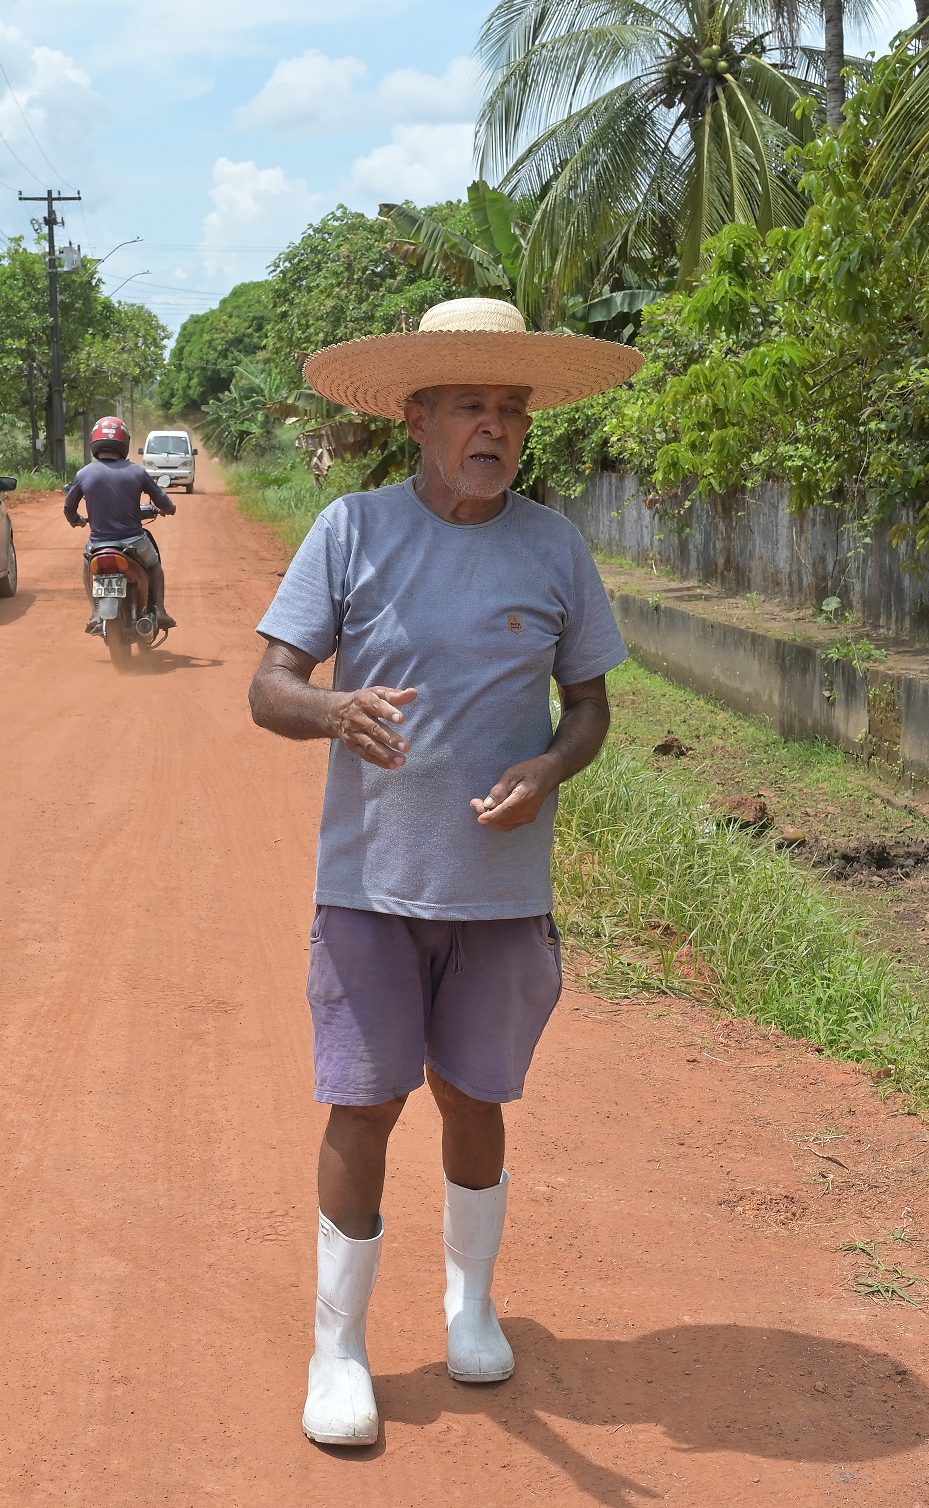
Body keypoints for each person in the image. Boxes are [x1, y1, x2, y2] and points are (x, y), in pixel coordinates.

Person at [248, 297, 644, 1446]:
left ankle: (470, 1301)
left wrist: (549, 768)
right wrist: (332, 707)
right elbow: (268, 686)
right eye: (470, 404)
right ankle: (338, 1347)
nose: (495, 428)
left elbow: (591, 707)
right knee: (362, 1102)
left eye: (511, 409)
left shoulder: (553, 546)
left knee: (477, 1095)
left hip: (500, 890)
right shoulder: (351, 531)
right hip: (369, 882)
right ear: (414, 417)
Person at [64, 415, 178, 630]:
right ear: (124, 442)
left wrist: (77, 521)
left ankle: (95, 613)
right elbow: (164, 502)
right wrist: (168, 509)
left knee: (88, 567)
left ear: (94, 442)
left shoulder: (84, 473)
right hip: (134, 543)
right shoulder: (136, 471)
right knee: (154, 566)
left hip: (98, 545)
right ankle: (160, 611)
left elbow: (69, 508)